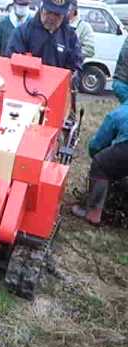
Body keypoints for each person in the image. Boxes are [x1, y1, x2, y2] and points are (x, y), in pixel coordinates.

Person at [71, 41, 128, 225]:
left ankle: (93, 212)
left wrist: (99, 155)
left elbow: (96, 145)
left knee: (101, 164)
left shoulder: (118, 114)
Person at [5, 0, 83, 76]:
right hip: (27, 84)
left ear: (64, 15)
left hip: (58, 85)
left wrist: (72, 77)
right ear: (42, 8)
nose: (52, 18)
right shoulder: (22, 32)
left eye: (57, 14)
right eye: (49, 12)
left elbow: (75, 67)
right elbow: (11, 61)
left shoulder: (70, 37)